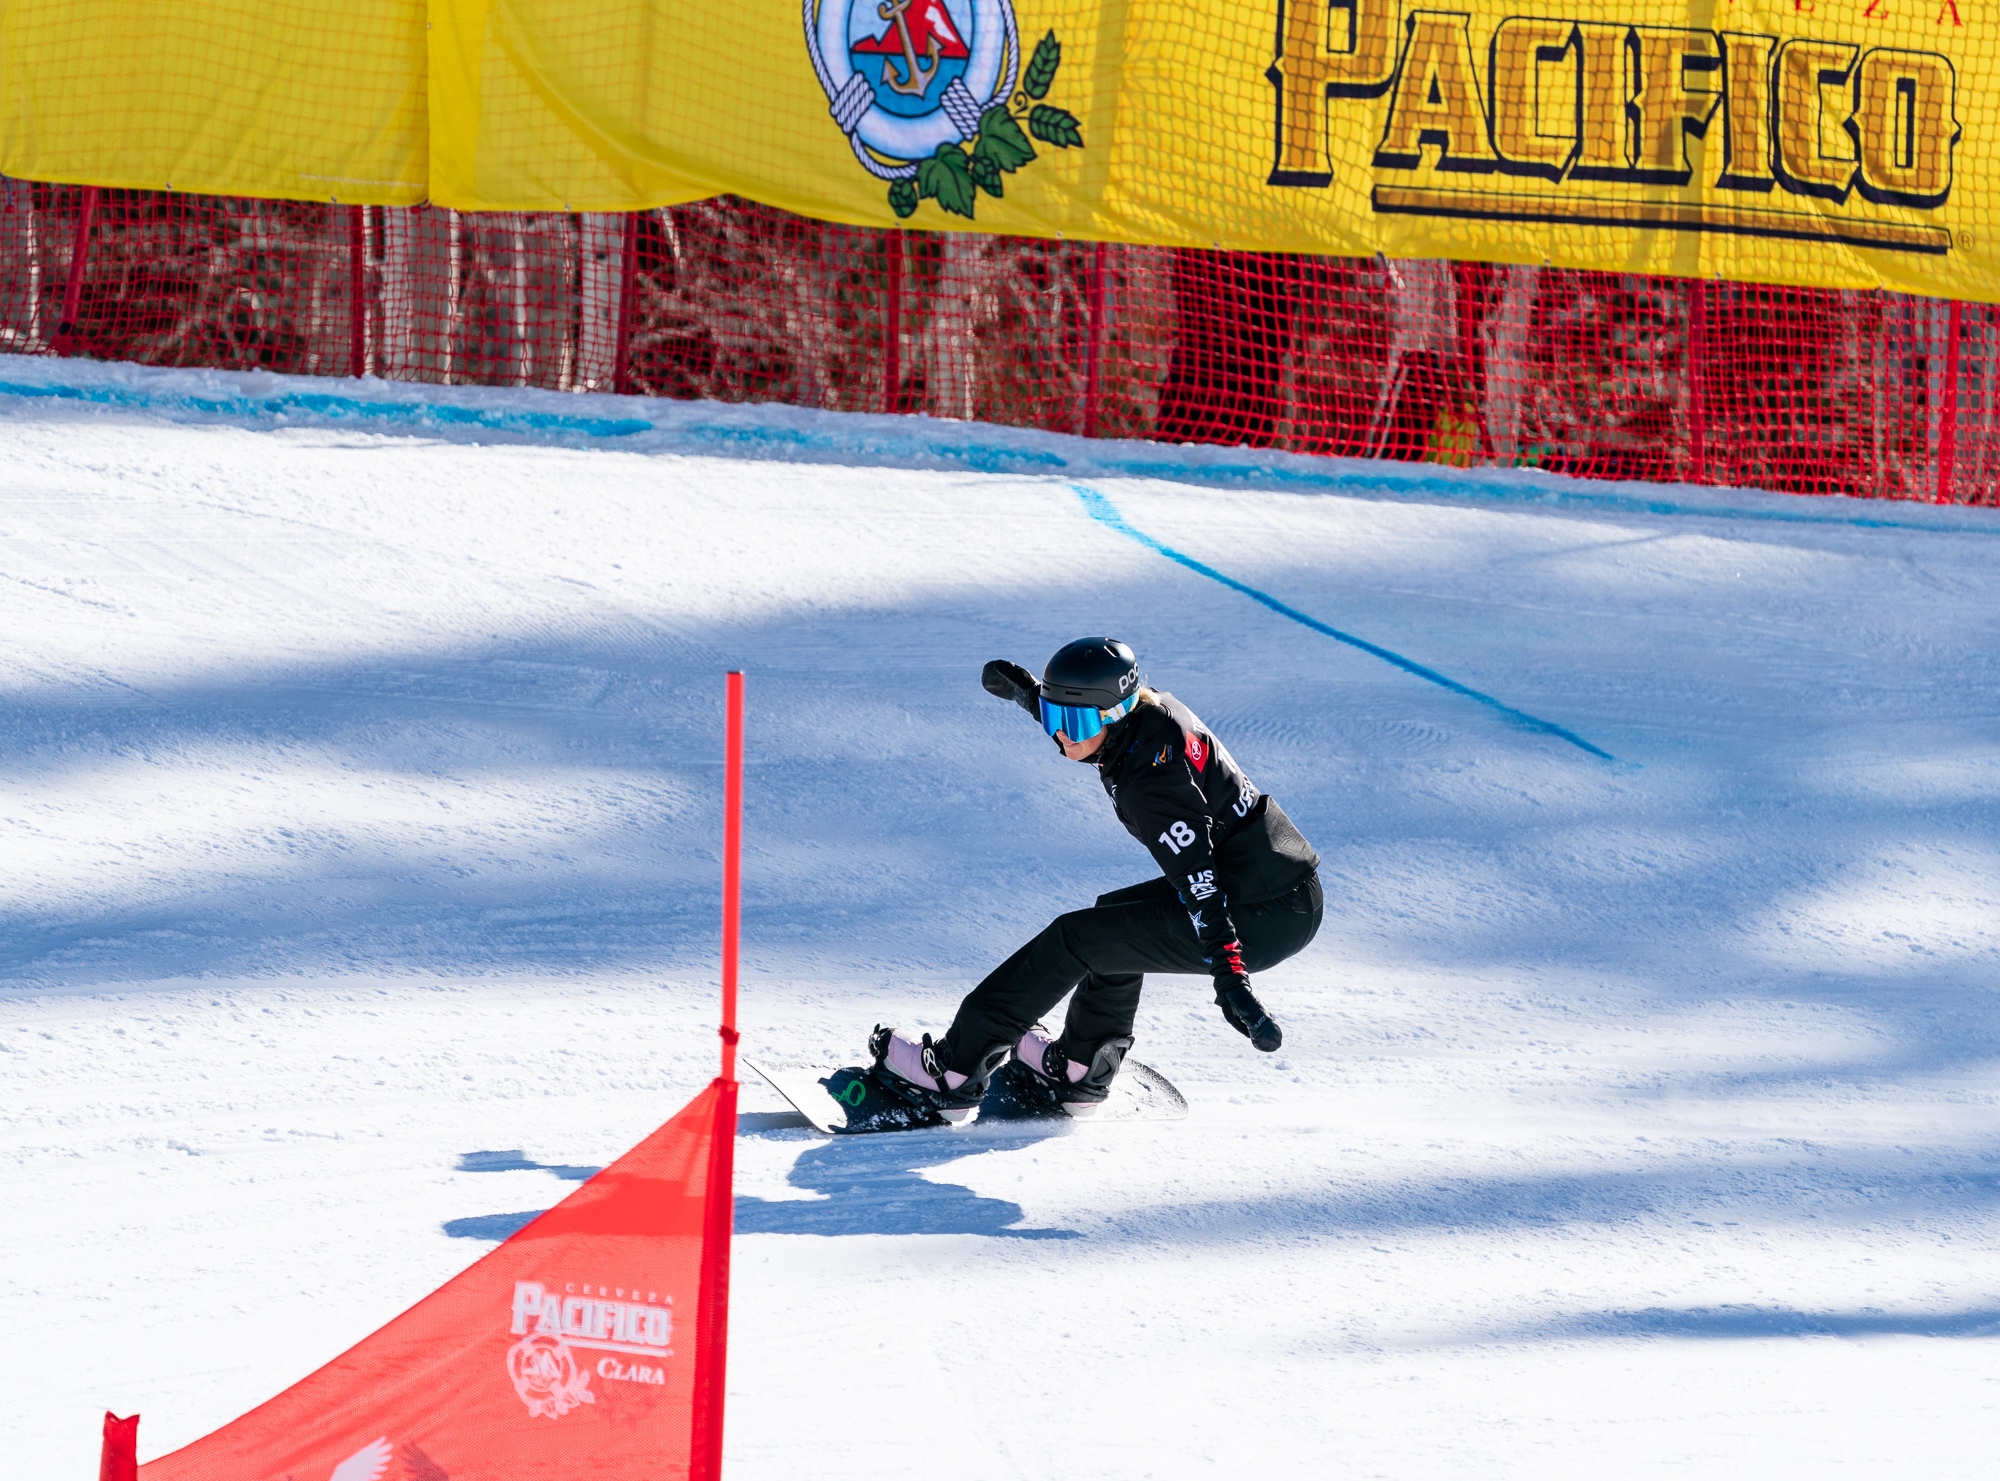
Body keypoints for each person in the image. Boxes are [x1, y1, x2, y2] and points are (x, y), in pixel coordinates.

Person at [870, 637, 1322, 1117]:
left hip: (1261, 914)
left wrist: (1232, 981)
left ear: (1113, 714)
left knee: (1074, 938)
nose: (1060, 736)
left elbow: (1201, 888)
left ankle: (952, 1072)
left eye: (1074, 723)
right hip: (1272, 886)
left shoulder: (1151, 781)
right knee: (1111, 921)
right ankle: (1082, 1068)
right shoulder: (1147, 716)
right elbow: (1080, 715)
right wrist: (1027, 694)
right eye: (1052, 717)